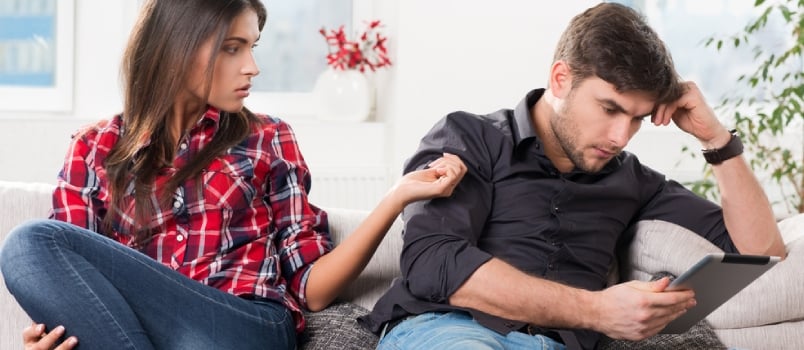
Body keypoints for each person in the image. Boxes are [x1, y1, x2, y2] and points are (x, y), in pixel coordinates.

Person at [0, 0, 467, 349]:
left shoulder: (268, 138)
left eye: (252, 47)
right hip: (145, 333)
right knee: (28, 246)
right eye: (232, 48)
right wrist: (54, 335)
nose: (252, 67)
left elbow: (313, 289)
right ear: (175, 48)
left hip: (241, 326)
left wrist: (394, 198)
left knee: (31, 243)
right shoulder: (94, 147)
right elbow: (70, 276)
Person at [358, 3, 787, 350]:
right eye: (610, 109)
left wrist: (716, 140)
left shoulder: (633, 180)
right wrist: (597, 311)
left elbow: (761, 251)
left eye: (637, 118)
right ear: (561, 79)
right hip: (450, 330)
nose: (621, 136)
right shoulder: (470, 137)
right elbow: (433, 263)